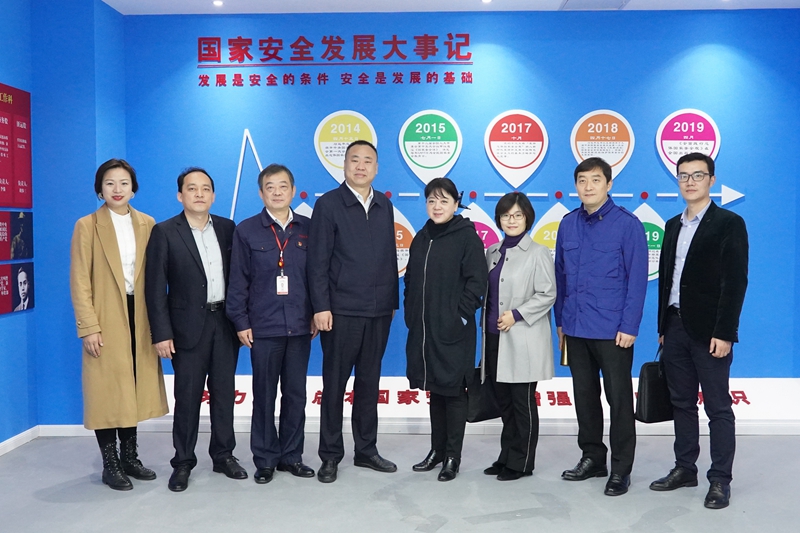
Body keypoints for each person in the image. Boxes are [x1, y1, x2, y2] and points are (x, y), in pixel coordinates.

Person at [650, 153, 748, 510]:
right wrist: (663, 327)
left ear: (711, 180)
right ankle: (685, 468)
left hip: (710, 333)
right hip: (674, 326)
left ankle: (720, 479)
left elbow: (734, 282)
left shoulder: (729, 223)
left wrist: (725, 332)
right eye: (683, 176)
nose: (689, 182)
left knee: (718, 407)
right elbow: (666, 280)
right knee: (681, 403)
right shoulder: (672, 225)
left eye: (697, 175)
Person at [69, 158, 168, 491]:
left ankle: (130, 457)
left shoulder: (148, 224)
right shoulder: (87, 225)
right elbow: (80, 279)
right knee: (106, 390)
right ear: (100, 189)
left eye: (124, 183)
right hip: (105, 314)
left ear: (133, 189)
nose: (117, 189)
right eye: (109, 183)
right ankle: (110, 463)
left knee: (132, 388)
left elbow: (156, 276)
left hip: (139, 313)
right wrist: (88, 326)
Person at [145, 167, 244, 492]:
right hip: (186, 328)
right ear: (180, 195)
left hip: (224, 323)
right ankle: (183, 462)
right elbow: (155, 288)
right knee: (187, 398)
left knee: (224, 394)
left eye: (205, 189)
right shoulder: (164, 232)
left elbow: (240, 278)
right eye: (192, 188)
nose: (199, 194)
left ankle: (223, 455)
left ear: (213, 196)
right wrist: (161, 333)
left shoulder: (228, 229)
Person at [554, 157, 648, 496]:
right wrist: (561, 322)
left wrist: (630, 325)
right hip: (576, 327)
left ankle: (621, 469)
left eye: (595, 180)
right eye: (582, 180)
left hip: (613, 331)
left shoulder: (627, 225)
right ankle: (593, 457)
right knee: (584, 397)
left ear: (609, 184)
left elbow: (637, 280)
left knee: (619, 400)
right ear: (575, 186)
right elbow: (560, 277)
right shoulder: (568, 224)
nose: (588, 186)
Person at [308, 140, 399, 483]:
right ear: (344, 165)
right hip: (341, 311)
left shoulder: (384, 204)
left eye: (368, 161)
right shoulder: (329, 204)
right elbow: (317, 261)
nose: (361, 166)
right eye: (355, 160)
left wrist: (391, 301)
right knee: (334, 385)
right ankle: (330, 455)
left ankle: (366, 450)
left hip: (378, 311)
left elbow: (389, 257)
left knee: (369, 383)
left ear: (376, 168)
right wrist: (321, 306)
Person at [226, 164, 317, 484]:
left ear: (292, 190)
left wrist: (317, 311)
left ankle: (291, 456)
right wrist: (240, 321)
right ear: (261, 192)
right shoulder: (246, 230)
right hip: (263, 327)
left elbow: (318, 276)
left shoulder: (309, 228)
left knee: (296, 395)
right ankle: (264, 459)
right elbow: (238, 281)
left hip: (300, 326)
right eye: (270, 187)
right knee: (264, 396)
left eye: (283, 186)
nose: (277, 192)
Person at [405, 178, 487, 482]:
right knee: (435, 390)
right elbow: (410, 279)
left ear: (456, 204)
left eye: (443, 200)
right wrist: (412, 312)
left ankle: (453, 456)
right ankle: (436, 451)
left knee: (453, 392)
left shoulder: (467, 237)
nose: (437, 206)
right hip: (425, 331)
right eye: (431, 200)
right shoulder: (422, 237)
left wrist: (460, 317)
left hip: (454, 331)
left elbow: (477, 282)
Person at [481, 192, 556, 481]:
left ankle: (522, 462)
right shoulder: (492, 251)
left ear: (527, 218)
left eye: (517, 215)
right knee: (504, 403)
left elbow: (548, 293)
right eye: (505, 215)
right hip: (493, 337)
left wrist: (517, 314)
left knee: (521, 402)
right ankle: (506, 456)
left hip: (523, 337)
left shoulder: (538, 252)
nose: (511, 220)